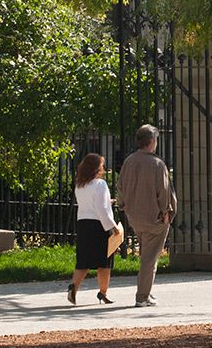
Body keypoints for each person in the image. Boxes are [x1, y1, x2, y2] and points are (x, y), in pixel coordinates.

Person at [119, 124, 176, 307]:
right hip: (154, 218)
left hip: (134, 216)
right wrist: (166, 212)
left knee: (148, 254)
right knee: (150, 258)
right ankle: (142, 296)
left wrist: (123, 206)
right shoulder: (157, 164)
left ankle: (147, 292)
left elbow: (121, 187)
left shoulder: (129, 161)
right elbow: (164, 191)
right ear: (152, 141)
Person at [68, 153, 117, 305]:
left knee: (84, 260)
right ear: (96, 168)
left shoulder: (80, 184)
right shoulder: (100, 184)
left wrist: (108, 201)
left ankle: (73, 286)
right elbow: (101, 208)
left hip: (83, 224)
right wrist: (113, 226)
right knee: (104, 261)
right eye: (101, 165)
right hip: (99, 225)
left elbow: (90, 203)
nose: (103, 168)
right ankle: (103, 292)